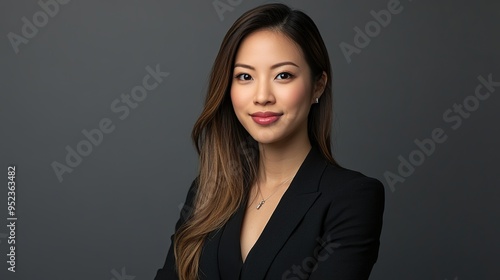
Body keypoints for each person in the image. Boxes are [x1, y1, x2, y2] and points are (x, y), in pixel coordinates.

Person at [154, 3, 384, 280]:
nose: (262, 96)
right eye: (245, 76)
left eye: (283, 75)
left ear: (318, 85)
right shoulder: (209, 190)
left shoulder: (351, 198)